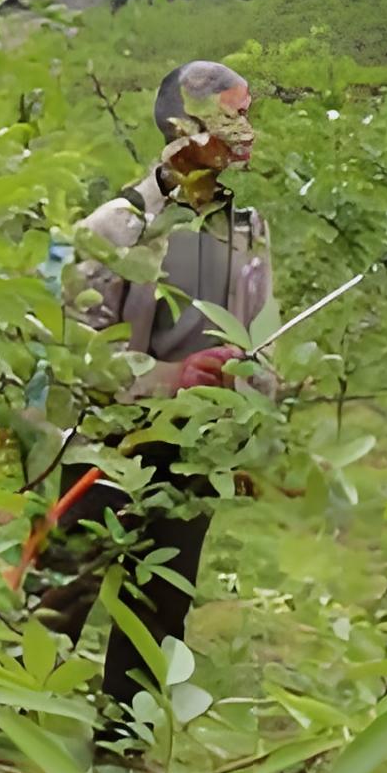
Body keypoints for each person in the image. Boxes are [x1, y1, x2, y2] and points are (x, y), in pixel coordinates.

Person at [30, 60, 277, 731]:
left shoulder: (247, 231)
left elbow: (261, 340)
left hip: (192, 454)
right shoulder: (115, 226)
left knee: (161, 603)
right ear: (183, 127)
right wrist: (171, 377)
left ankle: (125, 741)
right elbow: (75, 351)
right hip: (108, 448)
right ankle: (5, 729)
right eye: (233, 115)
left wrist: (255, 401)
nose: (248, 131)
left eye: (248, 113)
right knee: (63, 591)